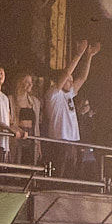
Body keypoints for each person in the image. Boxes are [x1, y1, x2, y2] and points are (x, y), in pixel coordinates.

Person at [43, 39, 99, 177]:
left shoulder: (69, 94)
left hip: (72, 139)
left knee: (71, 171)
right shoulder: (53, 93)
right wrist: (78, 55)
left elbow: (82, 78)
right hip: (59, 138)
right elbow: (67, 72)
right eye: (68, 80)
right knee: (59, 171)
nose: (71, 81)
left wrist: (89, 57)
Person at [11, 70, 43, 164]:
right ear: (20, 83)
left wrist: (39, 145)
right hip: (18, 134)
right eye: (27, 82)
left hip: (31, 136)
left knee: (29, 163)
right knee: (16, 162)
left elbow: (36, 125)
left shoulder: (35, 102)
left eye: (31, 82)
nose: (30, 85)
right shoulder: (11, 99)